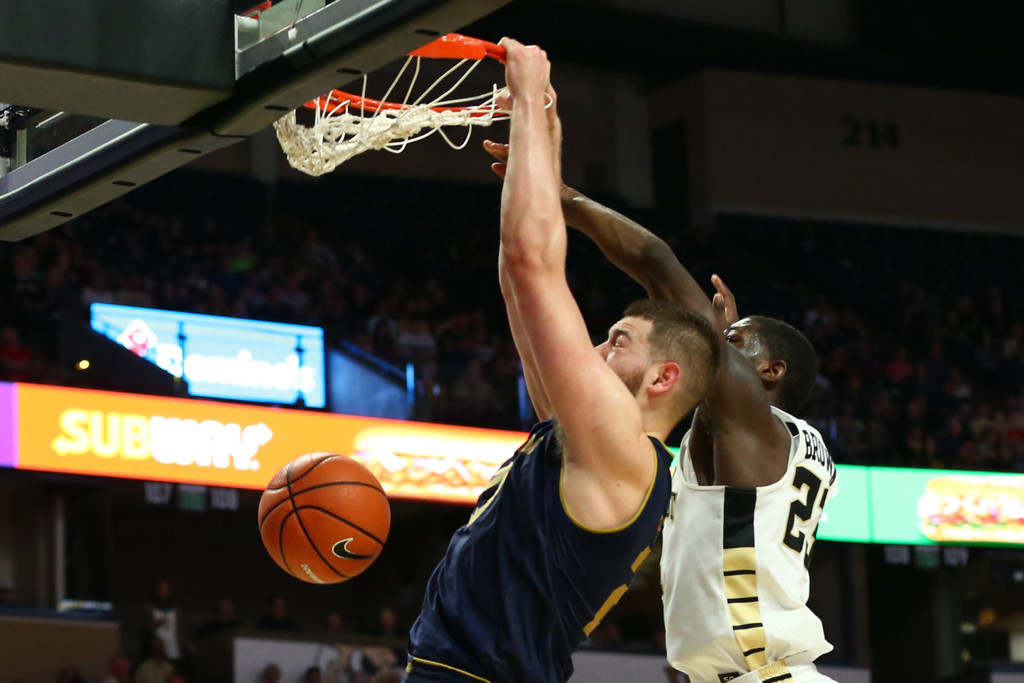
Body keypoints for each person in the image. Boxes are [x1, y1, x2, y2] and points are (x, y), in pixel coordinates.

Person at [404, 38, 720, 683]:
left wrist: (526, 94)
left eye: (619, 340)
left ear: (665, 379)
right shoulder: (588, 438)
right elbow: (516, 284)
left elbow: (532, 263)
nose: (599, 349)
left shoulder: (619, 448)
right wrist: (541, 134)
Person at [484, 114, 839, 682]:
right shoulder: (779, 444)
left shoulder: (754, 422)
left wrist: (566, 197)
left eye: (734, 341)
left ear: (769, 372)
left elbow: (656, 263)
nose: (718, 344)